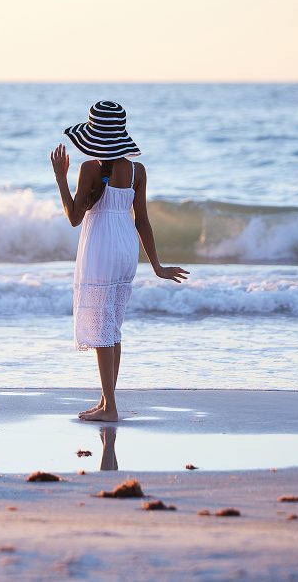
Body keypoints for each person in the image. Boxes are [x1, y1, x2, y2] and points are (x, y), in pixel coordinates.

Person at [51, 100, 188, 422]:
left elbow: (73, 218)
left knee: (101, 328)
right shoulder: (138, 170)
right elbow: (142, 220)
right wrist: (156, 265)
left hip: (100, 245)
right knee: (111, 326)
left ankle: (109, 406)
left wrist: (60, 176)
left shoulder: (89, 169)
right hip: (126, 248)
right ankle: (105, 400)